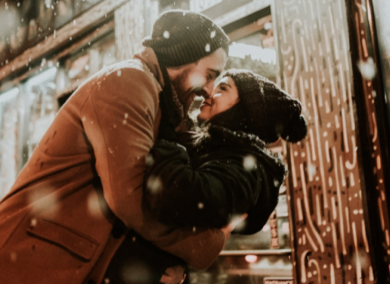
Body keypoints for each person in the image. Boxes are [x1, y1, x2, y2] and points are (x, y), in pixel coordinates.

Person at [0, 10, 231, 284]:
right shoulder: (130, 83)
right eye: (210, 74)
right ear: (184, 57)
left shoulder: (161, 106)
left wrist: (166, 262)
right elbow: (130, 199)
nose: (209, 89)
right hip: (17, 267)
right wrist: (206, 243)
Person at [103, 69, 307, 284]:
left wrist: (169, 136)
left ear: (244, 110)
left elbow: (178, 195)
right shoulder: (212, 150)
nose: (208, 93)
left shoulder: (245, 167)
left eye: (222, 88)